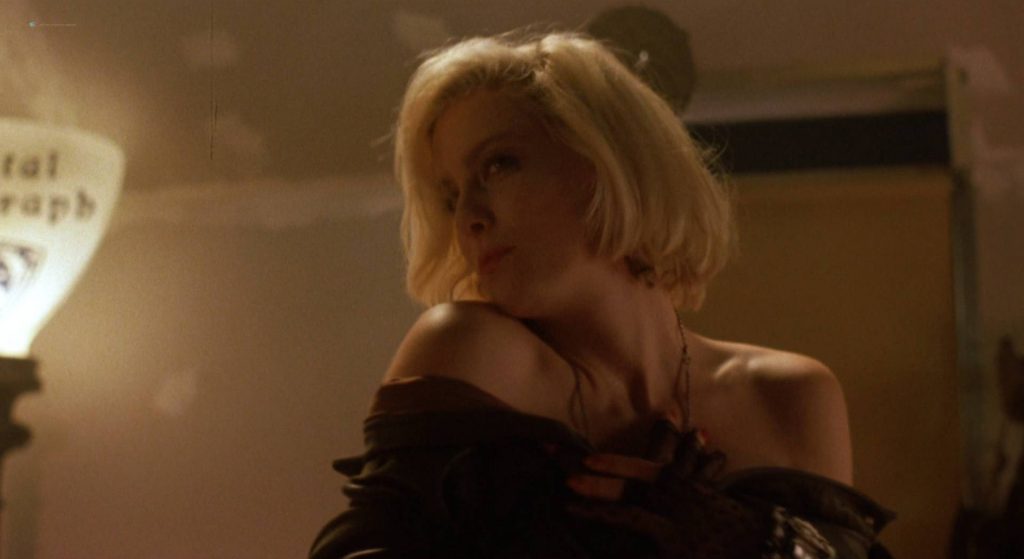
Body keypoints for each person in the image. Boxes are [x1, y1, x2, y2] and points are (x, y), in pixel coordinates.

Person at [310, 30, 894, 559]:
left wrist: (748, 541)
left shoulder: (788, 396)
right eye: (450, 195)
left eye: (499, 165)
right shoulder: (470, 352)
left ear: (610, 160)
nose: (468, 217)